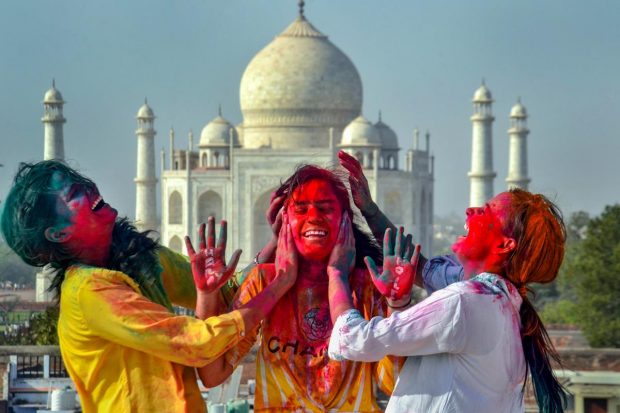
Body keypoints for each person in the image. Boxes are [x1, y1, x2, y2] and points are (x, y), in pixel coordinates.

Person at [0, 160, 295, 413]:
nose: (90, 191)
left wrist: (275, 244)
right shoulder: (89, 293)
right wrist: (278, 286)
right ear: (58, 233)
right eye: (76, 193)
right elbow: (196, 343)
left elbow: (228, 294)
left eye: (82, 183)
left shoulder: (140, 257)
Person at [327, 188, 568, 413]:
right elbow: (419, 267)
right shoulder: (505, 305)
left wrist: (337, 272)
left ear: (505, 245)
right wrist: (368, 209)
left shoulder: (463, 302)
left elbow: (354, 339)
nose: (470, 211)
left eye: (486, 211)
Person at [199, 164, 402, 412]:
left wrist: (396, 306)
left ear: (345, 222)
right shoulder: (265, 282)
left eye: (325, 208)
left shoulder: (368, 287)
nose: (314, 217)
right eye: (301, 209)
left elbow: (393, 384)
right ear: (284, 221)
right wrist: (207, 295)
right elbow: (212, 374)